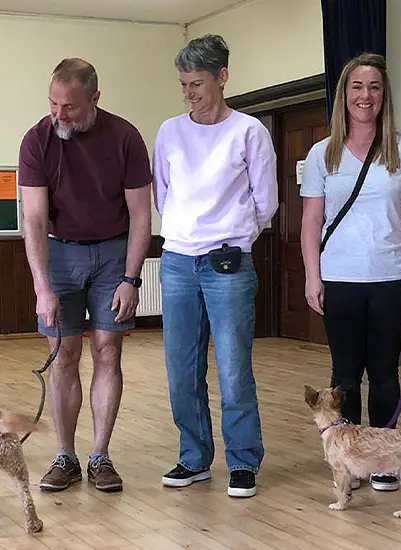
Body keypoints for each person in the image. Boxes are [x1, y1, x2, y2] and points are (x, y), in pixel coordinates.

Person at [300, 52, 401, 493]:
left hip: (392, 275)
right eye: (357, 87)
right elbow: (311, 220)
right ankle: (350, 459)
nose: (365, 95)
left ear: (384, 96)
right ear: (344, 95)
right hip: (339, 277)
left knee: (382, 372)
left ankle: (382, 458)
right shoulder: (323, 153)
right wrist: (311, 275)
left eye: (374, 87)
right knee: (344, 374)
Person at [18, 57, 152, 493]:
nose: (58, 114)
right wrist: (42, 287)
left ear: (95, 98)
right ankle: (65, 455)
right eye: (53, 103)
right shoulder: (36, 140)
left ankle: (100, 456)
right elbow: (34, 220)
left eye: (70, 106)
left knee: (108, 351)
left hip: (114, 251)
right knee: (64, 353)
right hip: (59, 251)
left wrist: (131, 279)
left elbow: (139, 216)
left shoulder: (125, 137)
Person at [152, 34, 276, 499]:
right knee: (181, 367)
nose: (190, 92)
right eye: (184, 84)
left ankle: (243, 461)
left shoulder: (249, 131)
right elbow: (162, 195)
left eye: (198, 83)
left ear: (223, 77)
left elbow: (266, 203)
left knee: (232, 367)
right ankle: (193, 456)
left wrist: (233, 235)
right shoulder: (169, 132)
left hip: (228, 261)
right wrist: (188, 234)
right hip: (178, 259)